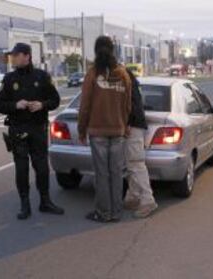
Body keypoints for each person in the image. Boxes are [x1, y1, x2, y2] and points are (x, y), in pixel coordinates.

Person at [0, 42, 64, 220]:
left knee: (41, 167)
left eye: (16, 55)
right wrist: (15, 105)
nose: (12, 58)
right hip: (17, 128)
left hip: (38, 128)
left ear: (26, 56)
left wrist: (42, 105)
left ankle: (45, 201)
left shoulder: (41, 76)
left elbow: (55, 100)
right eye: (12, 55)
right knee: (21, 168)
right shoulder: (9, 79)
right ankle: (24, 204)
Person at [78, 36, 132, 223]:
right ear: (113, 50)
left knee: (101, 174)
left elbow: (84, 106)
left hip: (97, 132)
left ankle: (103, 212)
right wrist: (125, 126)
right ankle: (116, 212)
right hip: (118, 131)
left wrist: (81, 130)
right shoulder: (123, 74)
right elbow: (127, 105)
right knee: (117, 173)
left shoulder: (92, 74)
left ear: (96, 50)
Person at [124, 69, 158, 218]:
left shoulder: (123, 79)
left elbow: (131, 107)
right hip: (136, 126)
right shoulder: (131, 82)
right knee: (131, 164)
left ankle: (147, 199)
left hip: (133, 127)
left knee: (135, 164)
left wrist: (128, 123)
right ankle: (133, 196)